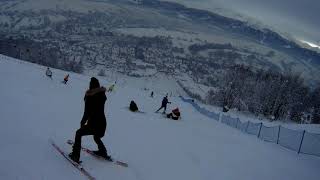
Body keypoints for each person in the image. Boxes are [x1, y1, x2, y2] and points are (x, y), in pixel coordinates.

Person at [69, 77, 111, 163]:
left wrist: (82, 122)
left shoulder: (90, 96)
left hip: (94, 123)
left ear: (91, 85)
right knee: (96, 136)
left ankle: (75, 156)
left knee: (78, 133)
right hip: (102, 123)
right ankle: (103, 152)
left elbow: (87, 112)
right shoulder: (102, 95)